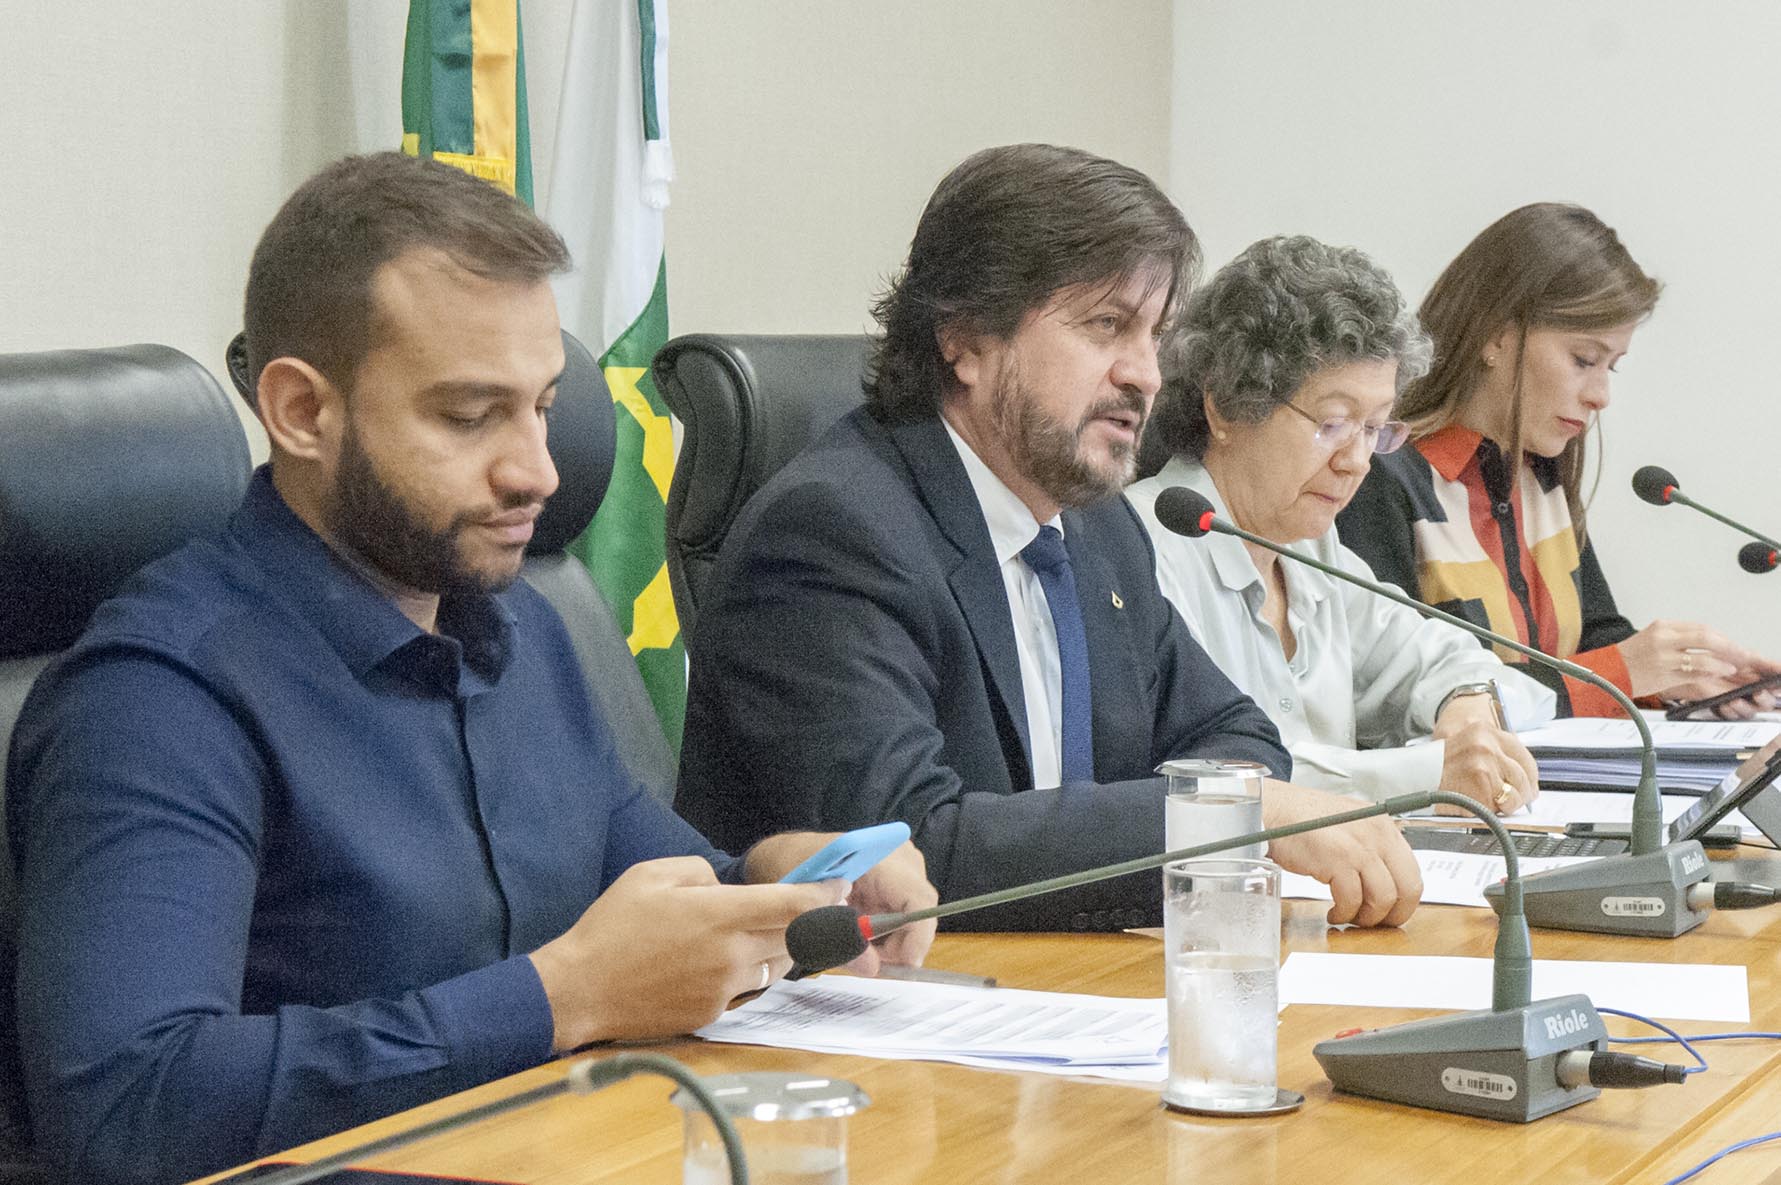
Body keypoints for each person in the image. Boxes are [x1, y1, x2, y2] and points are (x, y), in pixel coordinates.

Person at [5, 153, 935, 1185]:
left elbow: (651, 893)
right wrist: (560, 998)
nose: (538, 469)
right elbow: (129, 1107)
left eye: (542, 406)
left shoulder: (517, 626)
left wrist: (774, 881)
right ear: (302, 412)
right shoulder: (159, 698)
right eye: (468, 415)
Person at [675, 144, 1421, 934]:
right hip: (865, 991)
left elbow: (1235, 735)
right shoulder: (833, 533)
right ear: (965, 338)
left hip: (1060, 976)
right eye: (1107, 326)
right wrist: (1229, 816)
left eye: (1154, 335)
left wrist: (1225, 807)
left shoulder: (1098, 528)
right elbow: (912, 848)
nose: (1145, 374)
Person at [1128, 235, 1555, 811]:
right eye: (1332, 423)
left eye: (1375, 429)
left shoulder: (1311, 550)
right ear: (1226, 406)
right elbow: (1214, 775)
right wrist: (1429, 771)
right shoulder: (1140, 550)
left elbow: (1454, 658)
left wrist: (1467, 706)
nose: (1356, 462)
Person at [1336, 203, 1779, 719]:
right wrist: (1621, 673)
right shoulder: (1378, 477)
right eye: (1583, 360)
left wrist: (1681, 679)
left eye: (1612, 367)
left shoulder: (1540, 473)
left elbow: (1592, 638)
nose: (1601, 396)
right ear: (1496, 335)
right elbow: (1399, 698)